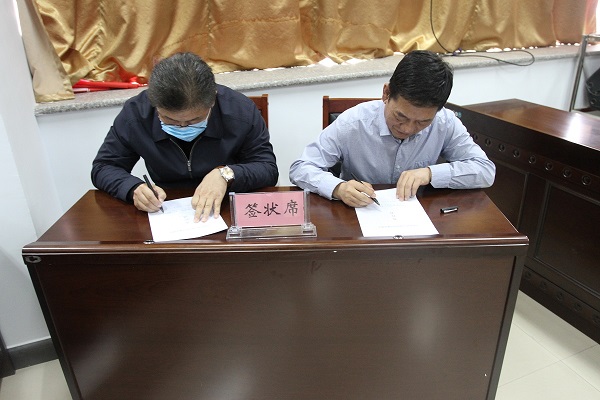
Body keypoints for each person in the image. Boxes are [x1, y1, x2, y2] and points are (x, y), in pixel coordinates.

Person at [289, 50, 495, 207]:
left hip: (418, 218)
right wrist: (338, 188)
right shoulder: (353, 122)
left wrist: (430, 173)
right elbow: (301, 168)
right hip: (360, 217)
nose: (408, 129)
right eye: (400, 116)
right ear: (386, 93)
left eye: (422, 122)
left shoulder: (445, 123)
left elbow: (485, 170)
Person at [92, 52, 278, 221]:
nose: (182, 126)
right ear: (154, 103)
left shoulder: (240, 110)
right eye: (169, 119)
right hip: (166, 206)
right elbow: (104, 167)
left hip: (227, 205)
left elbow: (267, 168)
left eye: (194, 120)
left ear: (212, 100)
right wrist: (133, 188)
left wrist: (226, 174)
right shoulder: (135, 114)